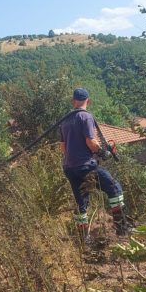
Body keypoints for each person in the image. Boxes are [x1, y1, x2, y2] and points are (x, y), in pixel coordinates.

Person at [59, 87, 131, 240]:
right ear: (88, 101)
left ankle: (84, 239)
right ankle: (122, 229)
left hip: (70, 168)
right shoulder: (85, 117)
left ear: (73, 101)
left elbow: (63, 148)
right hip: (86, 166)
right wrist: (102, 152)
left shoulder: (64, 121)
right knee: (114, 188)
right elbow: (90, 142)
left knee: (81, 202)